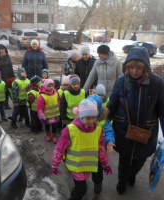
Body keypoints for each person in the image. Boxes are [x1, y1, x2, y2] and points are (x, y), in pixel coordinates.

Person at [106, 47, 164, 195]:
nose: (134, 71)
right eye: (131, 67)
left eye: (138, 68)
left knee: (140, 159)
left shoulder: (157, 83)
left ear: (146, 66)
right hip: (123, 129)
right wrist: (104, 122)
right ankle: (122, 181)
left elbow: (162, 109)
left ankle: (133, 174)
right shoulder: (121, 81)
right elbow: (112, 105)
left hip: (147, 131)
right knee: (124, 159)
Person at [52, 99, 112, 200]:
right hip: (75, 166)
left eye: (93, 118)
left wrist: (105, 163)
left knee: (79, 188)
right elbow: (60, 148)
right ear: (81, 116)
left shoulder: (98, 129)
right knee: (82, 189)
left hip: (88, 165)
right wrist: (55, 163)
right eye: (88, 118)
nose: (91, 121)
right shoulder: (71, 130)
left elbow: (100, 149)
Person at [88, 94, 115, 194]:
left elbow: (108, 131)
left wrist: (109, 141)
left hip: (99, 150)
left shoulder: (104, 120)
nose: (92, 112)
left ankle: (98, 183)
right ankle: (80, 181)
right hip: (85, 149)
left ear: (99, 109)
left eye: (95, 109)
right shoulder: (83, 117)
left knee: (97, 168)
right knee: (83, 166)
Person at [37, 78, 60, 143]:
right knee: (47, 125)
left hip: (55, 114)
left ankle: (54, 136)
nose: (51, 87)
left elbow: (58, 100)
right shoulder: (42, 96)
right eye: (49, 86)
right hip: (47, 115)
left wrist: (59, 105)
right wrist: (41, 116)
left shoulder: (56, 92)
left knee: (54, 126)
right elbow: (40, 107)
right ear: (45, 86)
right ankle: (47, 135)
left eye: (52, 86)